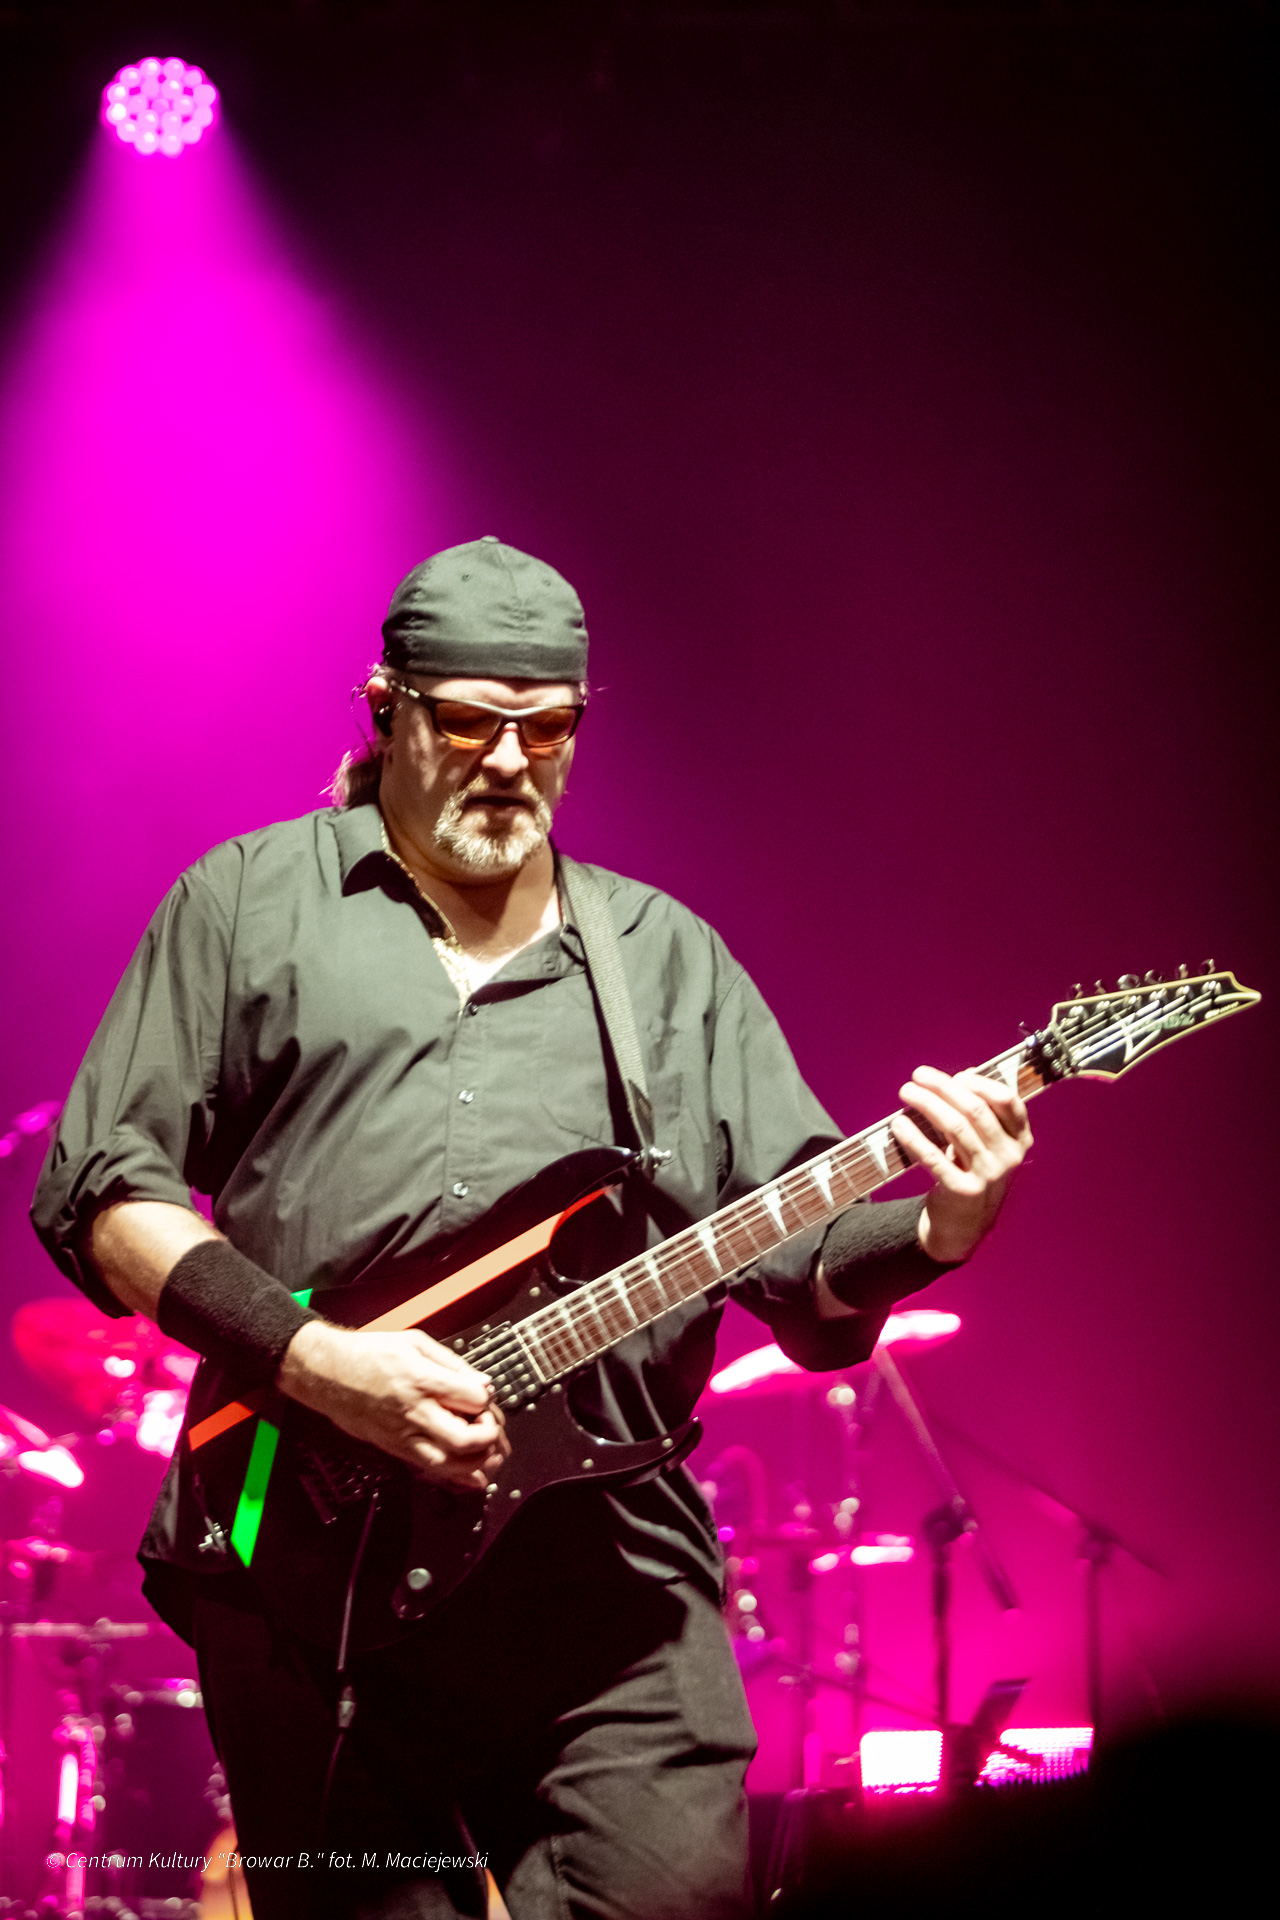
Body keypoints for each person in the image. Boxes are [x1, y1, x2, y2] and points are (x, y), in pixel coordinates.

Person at [32, 537, 1030, 1920]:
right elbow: (102, 1188)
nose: (511, 763)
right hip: (307, 1552)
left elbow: (797, 1260)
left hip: (604, 1568)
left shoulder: (664, 959)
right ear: (385, 710)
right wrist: (320, 1366)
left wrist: (941, 1227)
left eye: (548, 730)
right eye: (468, 725)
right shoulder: (248, 905)